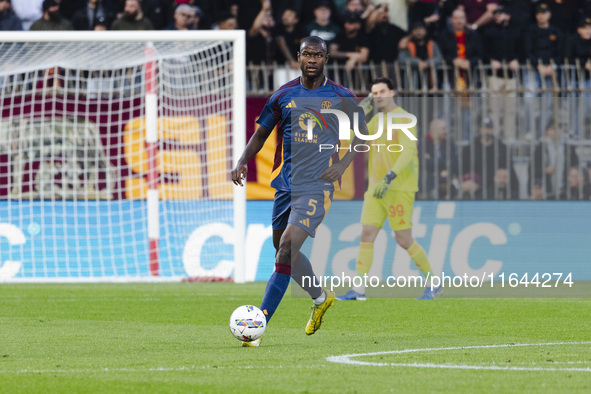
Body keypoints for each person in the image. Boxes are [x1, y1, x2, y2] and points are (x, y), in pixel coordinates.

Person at [230, 36, 367, 346]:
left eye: (318, 55)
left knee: (287, 249)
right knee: (284, 251)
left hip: (318, 185)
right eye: (307, 54)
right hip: (285, 184)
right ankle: (321, 298)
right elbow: (261, 133)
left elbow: (363, 137)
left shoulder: (342, 97)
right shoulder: (283, 95)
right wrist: (242, 161)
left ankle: (258, 324)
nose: (312, 60)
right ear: (298, 57)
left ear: (327, 59)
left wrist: (343, 165)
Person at [337, 77, 442, 302]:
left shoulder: (405, 119)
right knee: (366, 234)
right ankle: (359, 290)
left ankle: (434, 282)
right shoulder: (375, 121)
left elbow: (408, 151)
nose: (378, 96)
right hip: (376, 189)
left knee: (404, 239)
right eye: (374, 92)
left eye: (382, 91)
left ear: (392, 92)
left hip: (398, 187)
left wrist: (391, 175)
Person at [532, 120, 579, 199]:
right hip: (546, 192)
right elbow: (532, 169)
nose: (556, 131)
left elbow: (576, 167)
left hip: (566, 192)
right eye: (553, 129)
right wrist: (544, 170)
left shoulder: (569, 148)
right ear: (548, 131)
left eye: (559, 129)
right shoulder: (540, 148)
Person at [419, 118, 459, 200]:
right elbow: (423, 163)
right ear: (434, 130)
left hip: (447, 177)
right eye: (443, 129)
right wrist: (443, 162)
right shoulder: (423, 144)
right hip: (429, 178)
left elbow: (454, 163)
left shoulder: (449, 144)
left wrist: (433, 161)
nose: (446, 131)